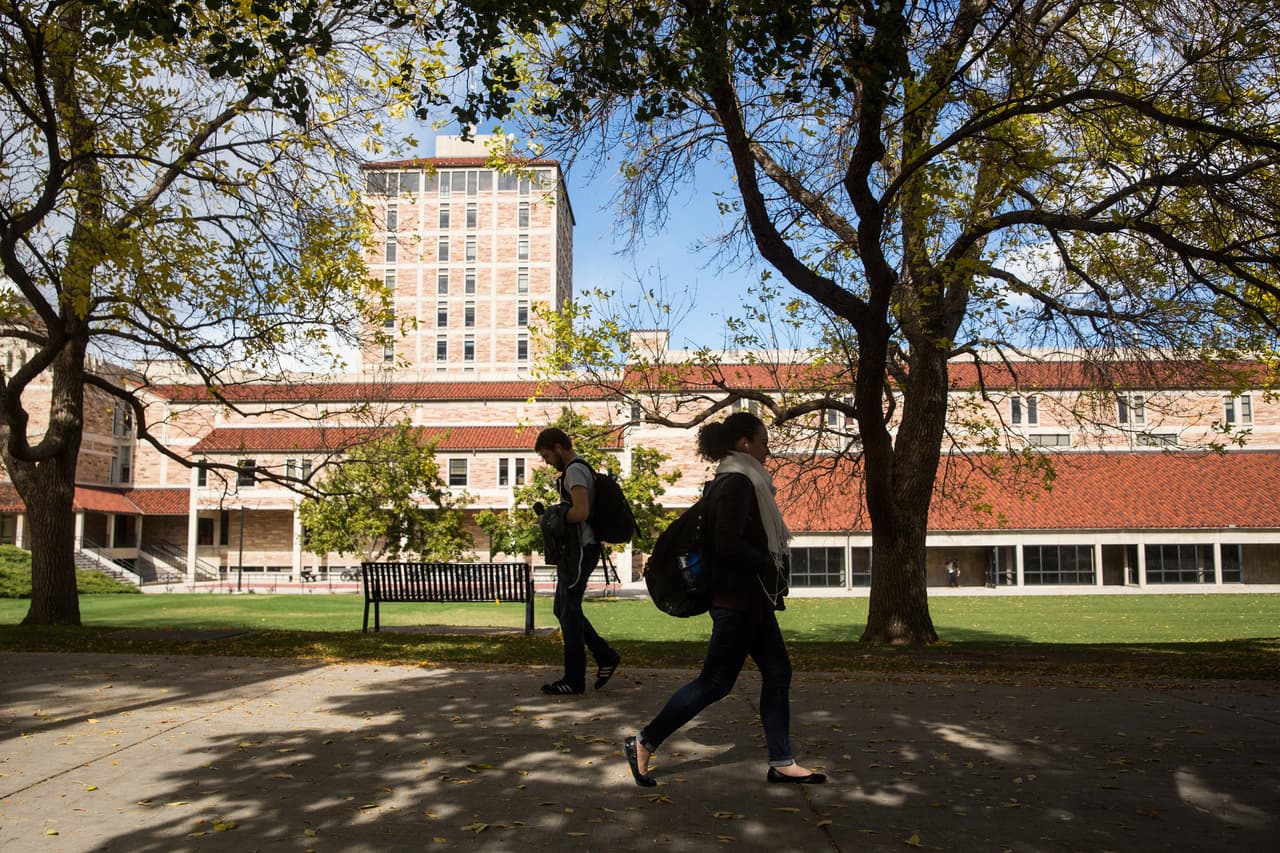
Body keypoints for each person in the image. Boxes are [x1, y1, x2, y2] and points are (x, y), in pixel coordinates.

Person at [623, 412, 826, 786]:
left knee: (778, 672)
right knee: (715, 683)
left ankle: (782, 761)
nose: (767, 451)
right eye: (763, 443)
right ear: (745, 443)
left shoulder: (739, 480)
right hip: (736, 602)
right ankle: (644, 740)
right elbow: (727, 545)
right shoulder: (737, 483)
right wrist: (766, 560)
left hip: (750, 601)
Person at [533, 427, 622, 696]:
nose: (547, 462)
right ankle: (604, 655)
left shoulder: (574, 471)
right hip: (577, 549)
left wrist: (552, 517)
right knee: (562, 609)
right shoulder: (576, 470)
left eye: (547, 456)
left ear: (558, 448)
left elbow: (581, 511)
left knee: (569, 612)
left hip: (580, 550)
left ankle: (574, 679)